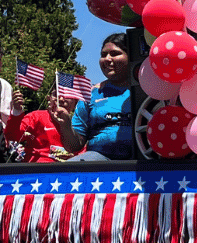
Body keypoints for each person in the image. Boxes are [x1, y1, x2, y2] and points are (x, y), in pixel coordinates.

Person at [49, 33, 134, 161]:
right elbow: (74, 146)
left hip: (145, 158)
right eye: (103, 55)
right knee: (69, 169)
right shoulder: (91, 94)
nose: (107, 59)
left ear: (131, 56)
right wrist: (65, 125)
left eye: (114, 54)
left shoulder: (148, 90)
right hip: (100, 160)